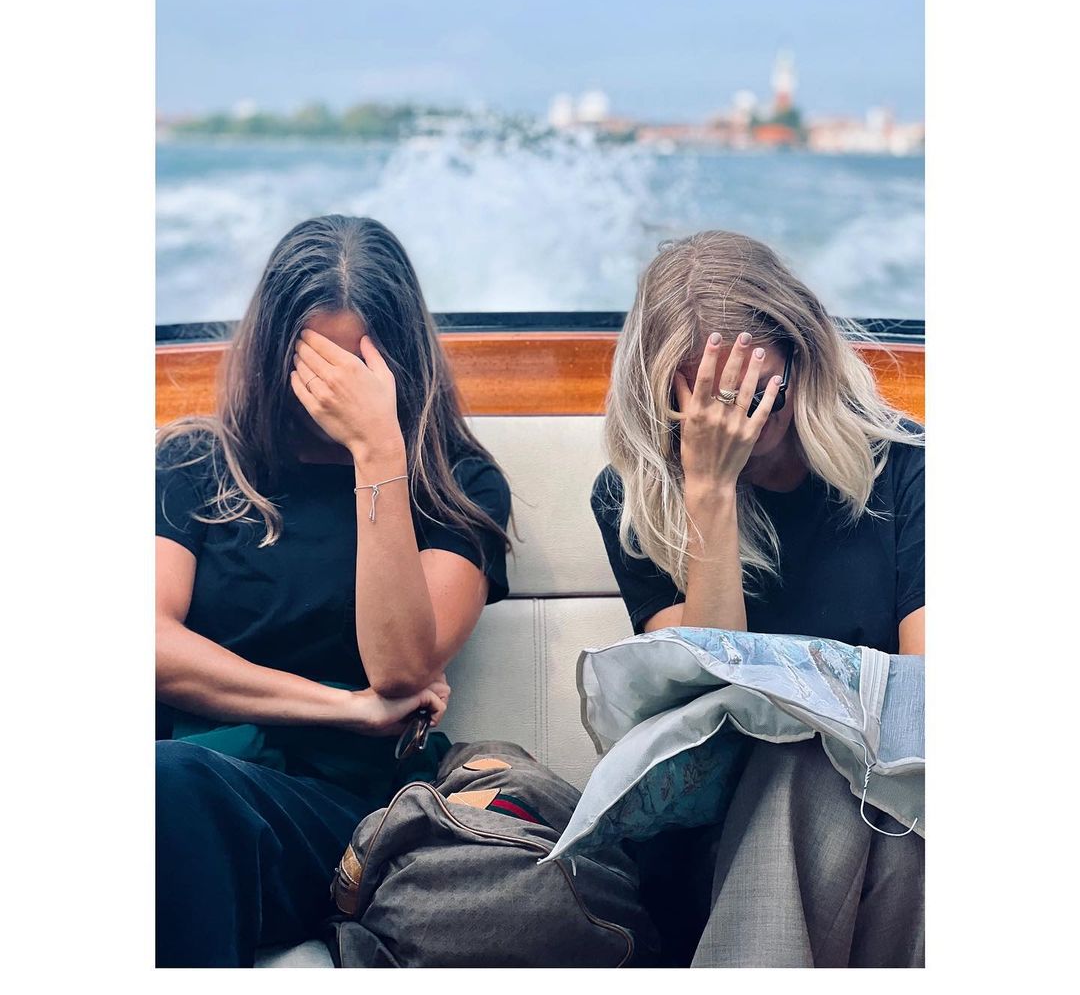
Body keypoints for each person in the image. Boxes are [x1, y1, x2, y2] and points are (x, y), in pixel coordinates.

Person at [155, 215, 512, 967]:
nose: (331, 394)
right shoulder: (195, 462)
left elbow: (401, 670)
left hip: (339, 810)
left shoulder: (457, 487)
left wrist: (376, 449)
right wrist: (343, 706)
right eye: (314, 366)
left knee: (168, 789)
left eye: (357, 370)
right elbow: (150, 646)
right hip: (189, 765)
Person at [591, 230, 924, 967]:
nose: (746, 419)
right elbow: (704, 709)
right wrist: (710, 492)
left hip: (887, 802)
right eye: (719, 400)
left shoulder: (905, 467)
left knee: (851, 781)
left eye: (764, 392)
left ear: (804, 359)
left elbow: (922, 699)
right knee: (805, 766)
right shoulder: (636, 501)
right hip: (721, 827)